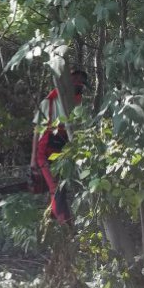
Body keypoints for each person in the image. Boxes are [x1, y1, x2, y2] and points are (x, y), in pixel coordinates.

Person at [30, 70, 88, 226]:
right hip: (46, 153)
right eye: (74, 79)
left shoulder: (81, 103)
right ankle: (65, 227)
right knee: (56, 189)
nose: (78, 82)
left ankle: (57, 225)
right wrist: (33, 160)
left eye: (80, 80)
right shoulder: (48, 102)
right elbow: (37, 131)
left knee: (64, 189)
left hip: (67, 154)